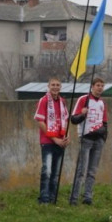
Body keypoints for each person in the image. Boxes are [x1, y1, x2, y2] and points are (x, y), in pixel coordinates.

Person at [69, 77, 108, 206]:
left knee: (92, 171)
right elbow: (73, 119)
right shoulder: (83, 99)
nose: (100, 88)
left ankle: (88, 196)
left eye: (102, 86)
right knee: (81, 170)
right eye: (98, 85)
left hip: (98, 140)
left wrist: (103, 137)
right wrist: (82, 114)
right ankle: (74, 198)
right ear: (92, 86)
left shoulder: (102, 103)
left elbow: (105, 122)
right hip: (86, 138)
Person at [33, 77, 70, 205]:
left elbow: (65, 120)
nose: (55, 87)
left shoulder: (62, 101)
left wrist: (67, 135)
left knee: (56, 173)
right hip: (48, 141)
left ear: (60, 87)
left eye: (57, 85)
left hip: (61, 141)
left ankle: (53, 198)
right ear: (48, 86)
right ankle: (44, 199)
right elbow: (40, 121)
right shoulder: (43, 101)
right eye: (53, 85)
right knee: (47, 171)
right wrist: (54, 139)